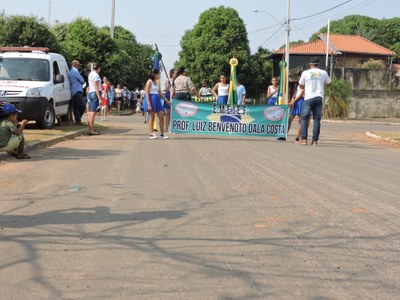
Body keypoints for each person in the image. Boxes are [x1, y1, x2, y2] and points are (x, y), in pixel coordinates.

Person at [297, 57, 332, 145]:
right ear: (318, 64)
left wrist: (305, 86)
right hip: (319, 98)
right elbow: (329, 84)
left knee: (304, 118)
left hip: (308, 98)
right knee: (317, 120)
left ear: (310, 64)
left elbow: (301, 85)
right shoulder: (323, 73)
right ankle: (315, 141)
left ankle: (304, 140)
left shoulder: (305, 73)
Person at [145, 69, 170, 139]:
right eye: (159, 74)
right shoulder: (149, 82)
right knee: (152, 117)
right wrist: (149, 104)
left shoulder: (157, 82)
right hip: (152, 100)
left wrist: (166, 100)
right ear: (155, 74)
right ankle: (151, 133)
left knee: (161, 117)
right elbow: (146, 93)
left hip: (158, 100)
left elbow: (160, 93)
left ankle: (162, 134)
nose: (159, 75)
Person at [68, 60, 86, 125]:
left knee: (76, 107)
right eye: (78, 65)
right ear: (75, 64)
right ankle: (78, 119)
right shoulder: (75, 71)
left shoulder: (70, 72)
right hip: (77, 90)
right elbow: (82, 80)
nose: (79, 66)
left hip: (73, 91)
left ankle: (78, 121)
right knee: (82, 106)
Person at [87, 62, 102, 135]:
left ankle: (90, 128)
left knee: (90, 112)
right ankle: (91, 129)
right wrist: (99, 98)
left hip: (90, 93)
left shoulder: (90, 74)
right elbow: (96, 86)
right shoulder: (96, 75)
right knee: (93, 112)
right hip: (95, 93)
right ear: (98, 68)